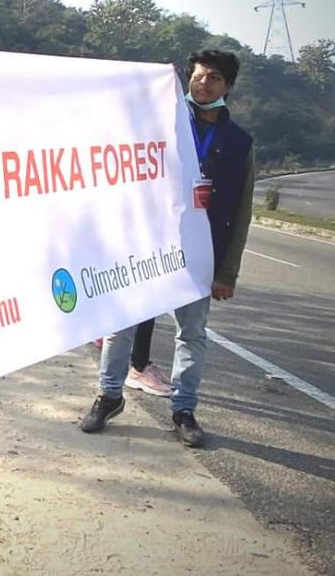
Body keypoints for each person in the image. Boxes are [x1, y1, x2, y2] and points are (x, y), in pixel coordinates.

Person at [80, 49, 254, 447]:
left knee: (191, 334)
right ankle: (108, 396)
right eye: (197, 76)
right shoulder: (161, 123)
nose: (203, 83)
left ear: (227, 86)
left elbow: (242, 212)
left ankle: (184, 410)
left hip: (200, 255)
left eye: (213, 78)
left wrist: (227, 272)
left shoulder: (239, 142)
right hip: (146, 247)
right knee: (120, 325)